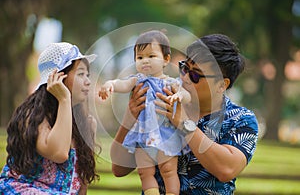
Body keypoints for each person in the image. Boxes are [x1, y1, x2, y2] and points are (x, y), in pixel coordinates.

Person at [110, 34, 259, 194]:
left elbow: (226, 169)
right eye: (184, 68)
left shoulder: (241, 119)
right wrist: (129, 119)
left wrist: (183, 124)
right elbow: (119, 169)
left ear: (222, 84)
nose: (185, 78)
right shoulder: (161, 97)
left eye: (195, 75)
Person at [0, 42, 100, 194]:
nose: (88, 81)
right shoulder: (33, 116)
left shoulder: (88, 123)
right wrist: (64, 99)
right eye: (80, 74)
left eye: (88, 75)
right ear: (58, 77)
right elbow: (59, 153)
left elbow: (82, 183)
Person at [100, 30, 191, 195]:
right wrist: (110, 84)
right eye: (140, 57)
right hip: (143, 136)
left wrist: (179, 95)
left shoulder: (171, 83)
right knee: (144, 171)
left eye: (151, 56)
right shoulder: (137, 80)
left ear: (166, 60)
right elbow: (122, 84)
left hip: (165, 134)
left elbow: (187, 96)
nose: (145, 61)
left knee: (169, 170)